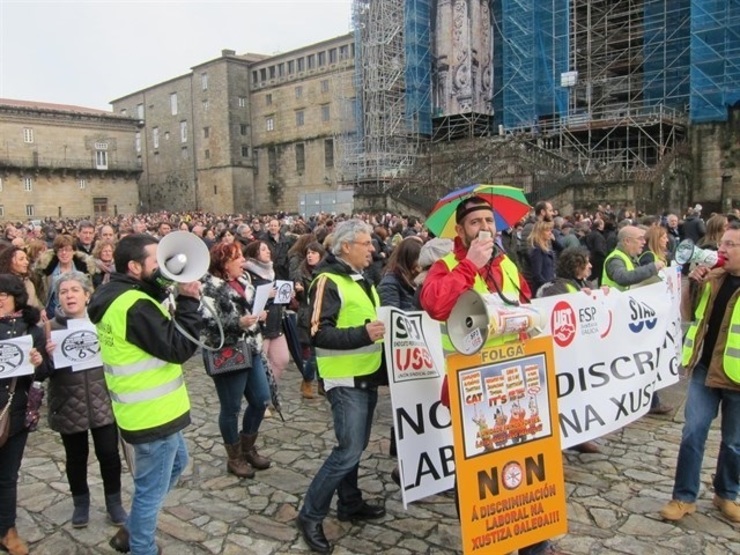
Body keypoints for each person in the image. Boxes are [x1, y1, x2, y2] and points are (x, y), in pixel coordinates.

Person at [420, 196, 560, 555]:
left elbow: (527, 307)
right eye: (475, 222)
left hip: (518, 385)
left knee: (530, 469)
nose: (484, 228)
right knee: (477, 480)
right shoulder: (447, 265)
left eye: (488, 221)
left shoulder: (508, 265)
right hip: (472, 394)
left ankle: (534, 544)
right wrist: (469, 266)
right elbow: (435, 304)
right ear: (461, 230)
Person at [87, 233, 203, 555]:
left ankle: (133, 529)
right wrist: (190, 301)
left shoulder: (123, 295)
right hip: (152, 416)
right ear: (135, 266)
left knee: (178, 462)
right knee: (150, 491)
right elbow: (178, 348)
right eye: (157, 261)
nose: (165, 266)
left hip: (151, 412)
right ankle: (141, 546)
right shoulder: (134, 305)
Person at [296, 219, 387, 554]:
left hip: (367, 373)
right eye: (366, 243)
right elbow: (317, 333)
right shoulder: (326, 280)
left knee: (356, 447)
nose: (372, 249)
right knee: (347, 450)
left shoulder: (363, 279)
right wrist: (364, 334)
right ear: (346, 246)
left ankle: (349, 502)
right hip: (344, 378)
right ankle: (310, 514)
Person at [659, 222, 740, 525]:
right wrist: (691, 285)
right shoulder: (713, 277)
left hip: (737, 376)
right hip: (705, 369)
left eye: (731, 245)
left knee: (734, 442)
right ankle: (683, 497)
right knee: (693, 432)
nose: (722, 249)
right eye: (723, 243)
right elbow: (688, 314)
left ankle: (727, 494)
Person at [45, 271, 126, 528]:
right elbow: (42, 372)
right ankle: (81, 502)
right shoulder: (49, 328)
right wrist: (45, 357)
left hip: (101, 399)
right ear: (59, 298)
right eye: (64, 291)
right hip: (68, 403)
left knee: (109, 454)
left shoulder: (101, 322)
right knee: (76, 457)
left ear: (87, 295)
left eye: (75, 290)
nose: (70, 295)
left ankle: (114, 503)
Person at [199, 242, 272, 478]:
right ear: (223, 264)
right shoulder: (208, 287)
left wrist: (259, 315)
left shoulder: (244, 282)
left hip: (252, 348)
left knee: (261, 400)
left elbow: (250, 310)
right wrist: (238, 323)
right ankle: (235, 456)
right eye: (237, 258)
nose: (244, 261)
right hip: (229, 353)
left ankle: (248, 446)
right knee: (231, 408)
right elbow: (208, 322)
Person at [0, 274, 50, 555]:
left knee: (7, 475)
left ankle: (7, 530)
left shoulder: (31, 330)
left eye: (3, 295)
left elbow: (42, 375)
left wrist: (39, 361)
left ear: (16, 298)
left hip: (13, 410)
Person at [244, 240, 290, 385]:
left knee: (282, 360)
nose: (268, 251)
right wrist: (265, 295)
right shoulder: (247, 273)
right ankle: (261, 399)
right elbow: (246, 297)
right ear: (254, 254)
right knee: (260, 364)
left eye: (267, 249)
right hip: (260, 325)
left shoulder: (271, 271)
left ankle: (269, 392)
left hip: (275, 322)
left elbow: (275, 295)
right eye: (263, 249)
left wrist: (287, 294)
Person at [291, 241, 326, 399]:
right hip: (307, 314)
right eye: (308, 253)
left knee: (322, 352)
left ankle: (321, 382)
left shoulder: (325, 272)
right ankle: (307, 381)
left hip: (323, 314)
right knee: (313, 353)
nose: (310, 255)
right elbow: (300, 299)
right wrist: (299, 292)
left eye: (313, 253)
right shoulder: (301, 272)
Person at [35, 234, 96, 319]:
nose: (64, 253)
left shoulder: (84, 269)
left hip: (78, 315)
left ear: (74, 251)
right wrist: (41, 309)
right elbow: (35, 292)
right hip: (51, 315)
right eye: (60, 250)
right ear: (56, 252)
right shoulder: (45, 269)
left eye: (68, 250)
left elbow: (90, 292)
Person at [601, 226, 664, 292]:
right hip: (616, 301)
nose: (644, 242)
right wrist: (653, 267)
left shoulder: (630, 257)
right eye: (640, 239)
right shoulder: (615, 259)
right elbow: (623, 278)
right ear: (627, 241)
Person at [378, 236, 422, 310]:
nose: (421, 264)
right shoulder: (389, 284)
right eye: (419, 259)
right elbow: (392, 316)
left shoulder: (413, 280)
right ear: (409, 259)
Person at [528, 220, 556, 295]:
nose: (550, 233)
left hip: (549, 288)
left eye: (550, 230)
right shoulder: (537, 250)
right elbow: (537, 275)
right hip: (542, 290)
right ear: (539, 233)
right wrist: (548, 286)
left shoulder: (546, 249)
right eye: (547, 230)